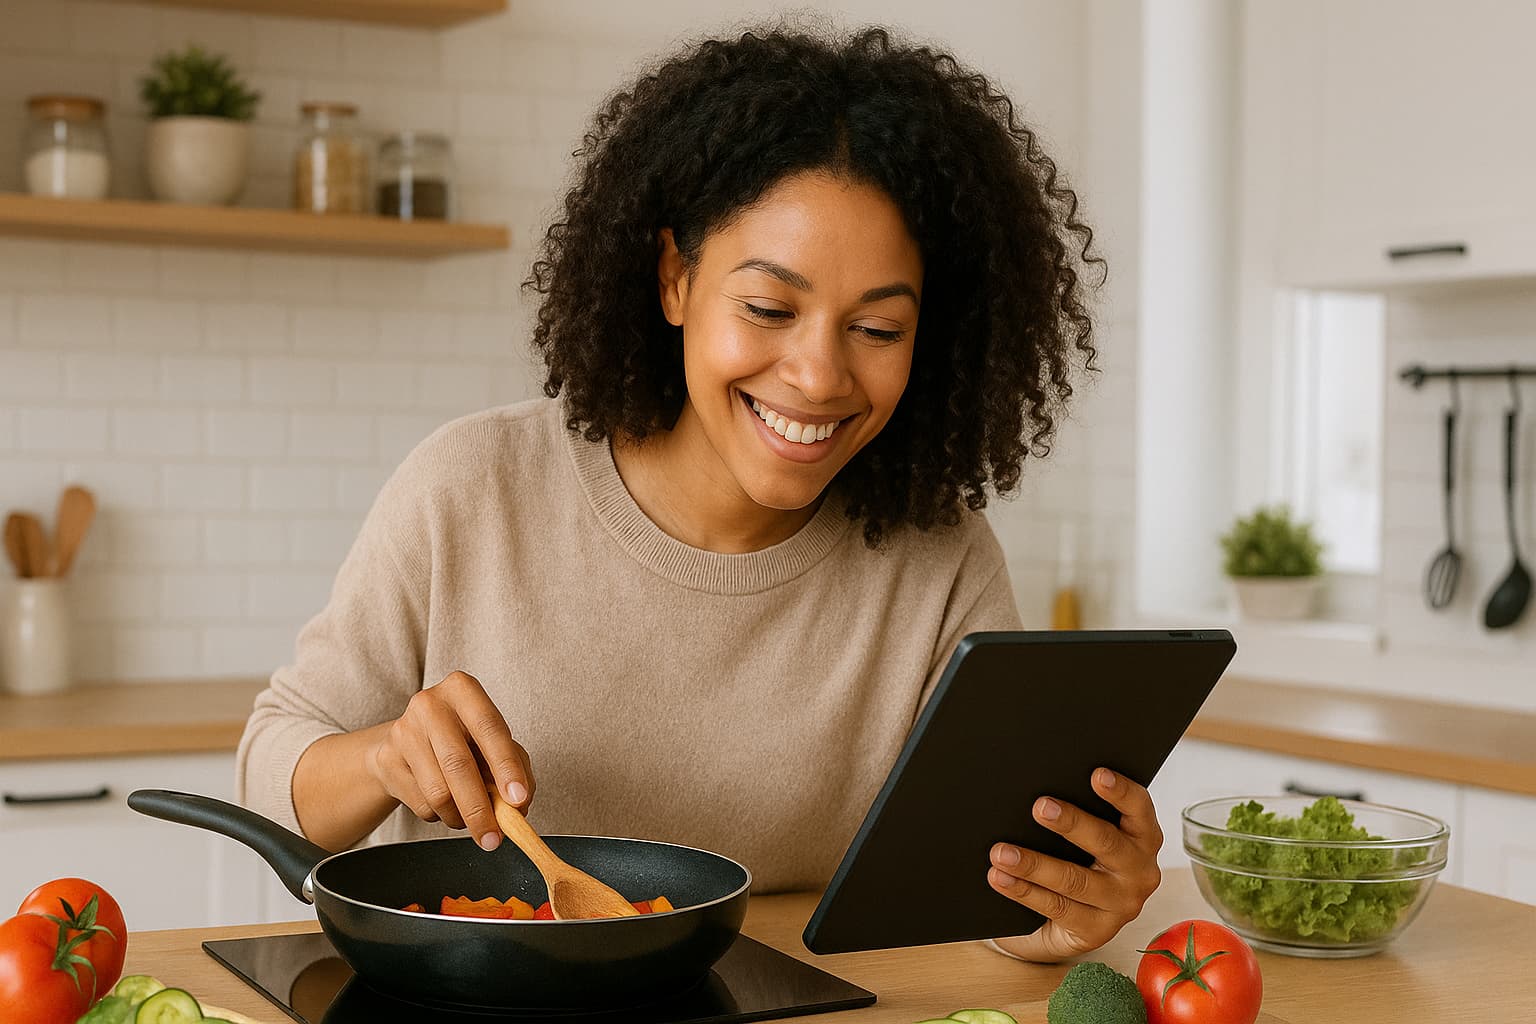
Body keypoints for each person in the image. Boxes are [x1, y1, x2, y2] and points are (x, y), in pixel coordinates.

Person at [237, 24, 1162, 963]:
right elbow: (276, 776)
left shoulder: (941, 559)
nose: (816, 375)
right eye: (768, 309)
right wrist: (387, 754)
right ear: (676, 279)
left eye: (878, 328)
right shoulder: (474, 487)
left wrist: (1059, 915)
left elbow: (970, 885)